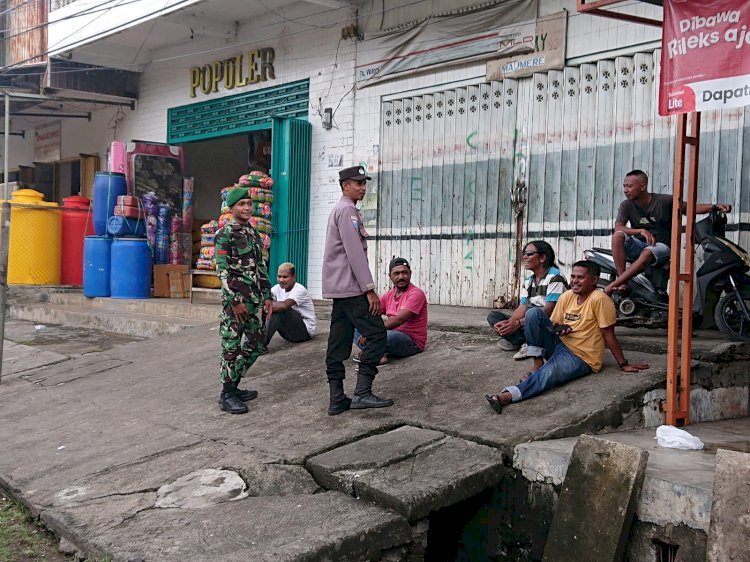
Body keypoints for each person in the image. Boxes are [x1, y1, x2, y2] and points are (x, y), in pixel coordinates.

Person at [485, 260, 649, 413]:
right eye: (573, 276)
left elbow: (609, 335)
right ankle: (537, 365)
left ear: (594, 280)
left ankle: (506, 396)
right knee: (534, 313)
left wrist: (623, 364)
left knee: (547, 376)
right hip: (559, 345)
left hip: (581, 356)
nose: (575, 281)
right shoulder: (567, 296)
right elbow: (554, 322)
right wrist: (559, 328)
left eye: (581, 277)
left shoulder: (600, 299)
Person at [322, 165, 394, 415]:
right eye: (358, 183)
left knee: (338, 343)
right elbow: (354, 254)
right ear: (345, 186)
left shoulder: (342, 209)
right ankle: (362, 393)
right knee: (377, 336)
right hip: (352, 289)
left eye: (364, 183)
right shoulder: (347, 211)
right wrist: (369, 289)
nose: (363, 188)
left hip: (341, 290)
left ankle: (337, 398)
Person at [605, 170, 732, 295]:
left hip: (662, 247)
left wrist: (715, 207)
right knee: (617, 236)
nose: (625, 190)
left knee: (648, 252)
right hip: (639, 244)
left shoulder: (663, 201)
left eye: (630, 186)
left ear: (643, 186)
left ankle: (615, 284)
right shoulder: (626, 205)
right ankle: (621, 281)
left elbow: (691, 208)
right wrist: (640, 230)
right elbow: (619, 227)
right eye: (624, 186)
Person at [215, 187, 273, 415]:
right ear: (231, 209)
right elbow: (222, 272)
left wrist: (267, 296)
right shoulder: (225, 235)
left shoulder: (253, 234)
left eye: (249, 203)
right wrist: (234, 300)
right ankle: (227, 393)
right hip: (235, 304)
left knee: (257, 345)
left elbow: (261, 268)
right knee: (231, 347)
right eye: (242, 204)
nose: (247, 207)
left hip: (254, 301)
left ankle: (234, 384)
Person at [487, 241, 568, 360]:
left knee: (532, 315)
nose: (524, 257)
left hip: (550, 320)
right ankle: (525, 341)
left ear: (542, 258)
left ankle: (525, 342)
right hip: (530, 319)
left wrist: (518, 323)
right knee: (493, 317)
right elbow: (522, 307)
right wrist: (510, 323)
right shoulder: (529, 280)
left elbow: (549, 309)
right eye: (524, 254)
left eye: (529, 254)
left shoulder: (555, 277)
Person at [353, 257, 428, 365]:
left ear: (410, 274)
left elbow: (399, 319)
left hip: (411, 341)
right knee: (353, 324)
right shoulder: (389, 295)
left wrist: (372, 331)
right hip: (388, 335)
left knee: (383, 336)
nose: (401, 277)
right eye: (396, 273)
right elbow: (372, 311)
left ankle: (373, 352)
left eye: (404, 273)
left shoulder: (416, 294)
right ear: (390, 276)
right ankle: (378, 352)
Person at [264, 262, 316, 346]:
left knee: (280, 309)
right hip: (287, 334)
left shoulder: (300, 290)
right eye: (279, 276)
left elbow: (284, 306)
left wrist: (266, 307)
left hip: (304, 332)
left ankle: (261, 345)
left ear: (293, 277)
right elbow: (266, 301)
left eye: (285, 277)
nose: (281, 280)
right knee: (272, 307)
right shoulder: (276, 289)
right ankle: (257, 341)